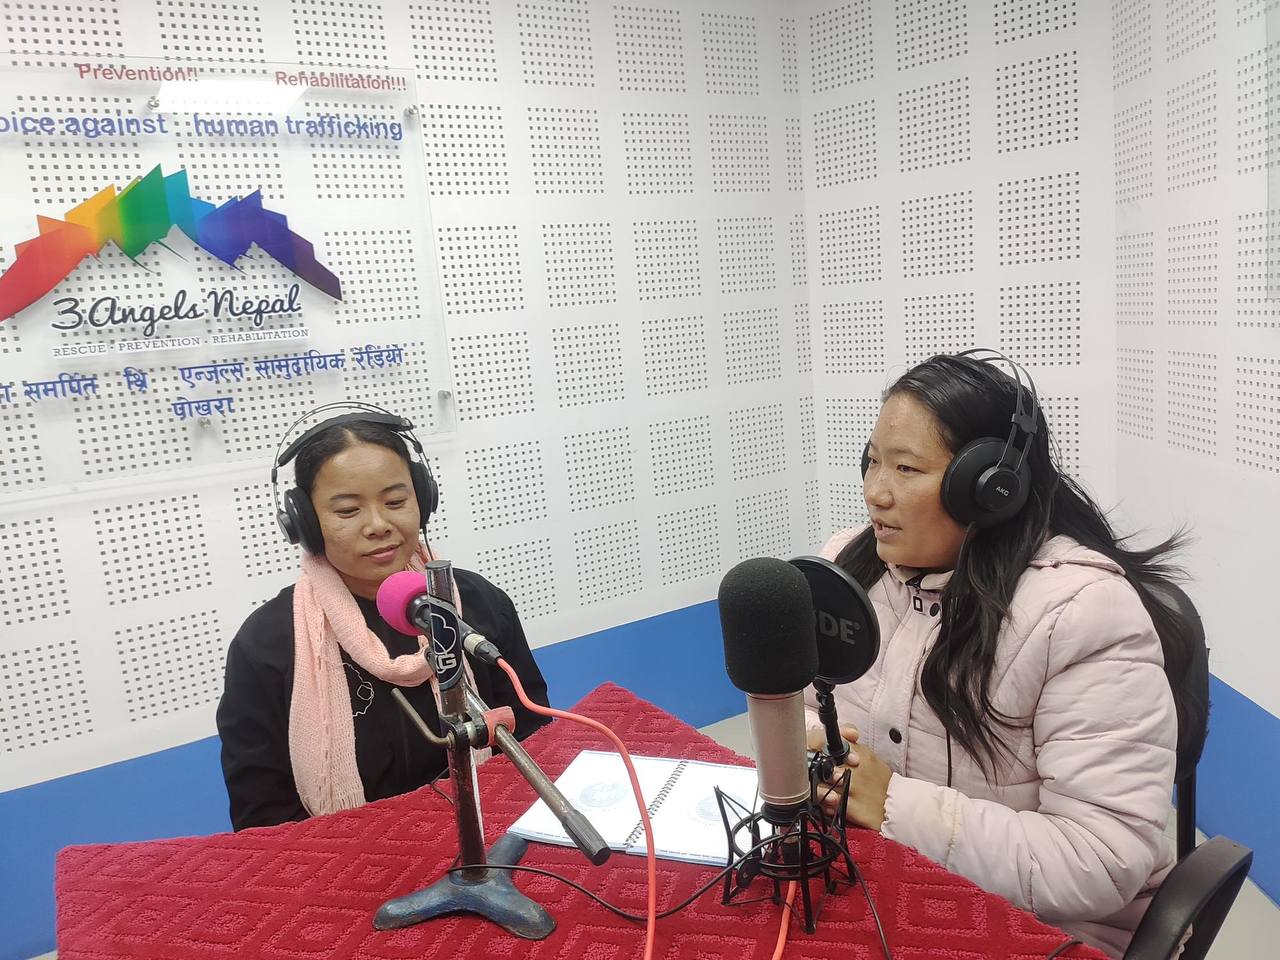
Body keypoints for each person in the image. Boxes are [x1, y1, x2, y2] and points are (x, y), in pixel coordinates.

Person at [805, 351, 1195, 959]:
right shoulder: (850, 566)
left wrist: (891, 803)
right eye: (872, 461)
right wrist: (807, 747)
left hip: (1052, 925)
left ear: (989, 488)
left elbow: (1099, 859)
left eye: (906, 468)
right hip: (878, 873)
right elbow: (806, 704)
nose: (875, 492)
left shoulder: (1081, 614)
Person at [217, 411, 550, 830]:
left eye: (395, 502)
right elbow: (262, 815)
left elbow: (535, 739)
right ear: (305, 523)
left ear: (422, 500)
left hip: (492, 834)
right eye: (347, 510)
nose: (378, 525)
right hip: (346, 854)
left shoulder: (477, 604)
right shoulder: (265, 644)